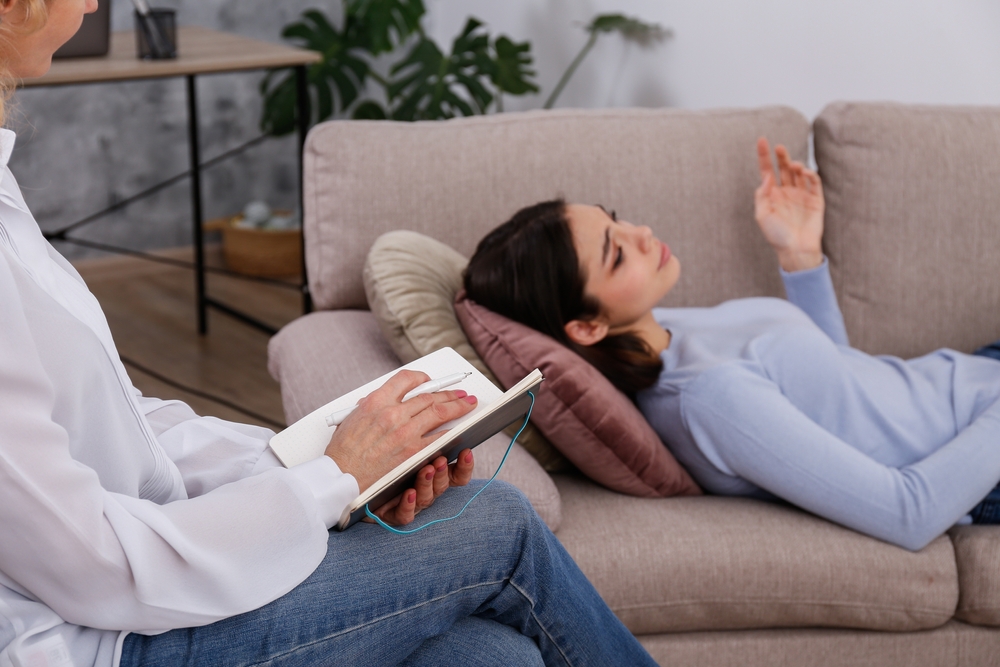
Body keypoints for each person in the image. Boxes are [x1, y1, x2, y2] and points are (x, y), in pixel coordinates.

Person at [0, 1, 662, 666]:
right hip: (95, 641)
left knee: (491, 655)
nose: (92, 5)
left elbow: (124, 428)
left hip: (135, 595)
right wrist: (328, 479)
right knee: (499, 525)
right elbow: (94, 564)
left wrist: (333, 466)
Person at [464, 137, 1000, 553]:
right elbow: (909, 514)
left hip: (975, 372)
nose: (643, 232)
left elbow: (839, 390)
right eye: (616, 254)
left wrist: (801, 257)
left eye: (617, 220)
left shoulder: (658, 327)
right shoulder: (710, 400)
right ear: (585, 328)